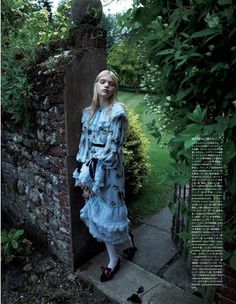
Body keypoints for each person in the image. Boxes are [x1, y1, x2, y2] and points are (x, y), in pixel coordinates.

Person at [73, 70, 137, 282]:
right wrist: (84, 178)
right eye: (102, 81)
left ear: (114, 89)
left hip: (109, 170)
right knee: (98, 213)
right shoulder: (88, 113)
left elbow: (112, 150)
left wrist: (91, 179)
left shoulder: (117, 112)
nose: (106, 86)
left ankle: (113, 260)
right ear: (96, 85)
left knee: (110, 213)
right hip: (90, 169)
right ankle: (127, 244)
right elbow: (84, 145)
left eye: (111, 83)